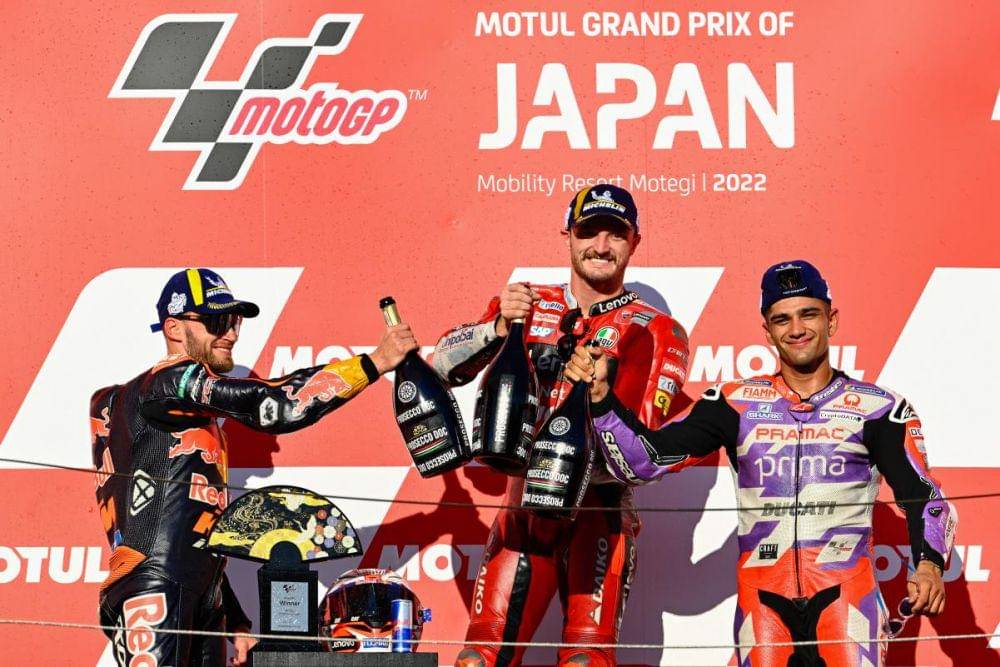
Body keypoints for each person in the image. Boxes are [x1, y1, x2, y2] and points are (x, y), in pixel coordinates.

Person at [566, 260, 958, 667]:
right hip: (763, 605)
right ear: (767, 331)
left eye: (809, 314)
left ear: (832, 321)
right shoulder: (734, 403)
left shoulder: (879, 408)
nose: (797, 329)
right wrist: (601, 399)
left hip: (847, 601)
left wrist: (929, 565)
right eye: (782, 319)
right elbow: (643, 462)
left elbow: (925, 497)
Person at [90, 268, 417, 666]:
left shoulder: (174, 415)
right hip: (155, 585)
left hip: (199, 594)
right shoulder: (164, 383)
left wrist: (233, 617)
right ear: (174, 327)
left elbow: (191, 530)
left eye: (235, 321)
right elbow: (272, 405)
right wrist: (375, 362)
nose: (230, 333)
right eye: (216, 322)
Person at [432, 186, 690, 666]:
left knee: (584, 662)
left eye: (616, 234)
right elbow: (442, 367)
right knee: (477, 659)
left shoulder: (658, 330)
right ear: (568, 235)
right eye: (588, 231)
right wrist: (496, 328)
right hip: (522, 515)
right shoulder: (526, 303)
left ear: (635, 242)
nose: (601, 246)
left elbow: (643, 455)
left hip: (599, 513)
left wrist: (599, 396)